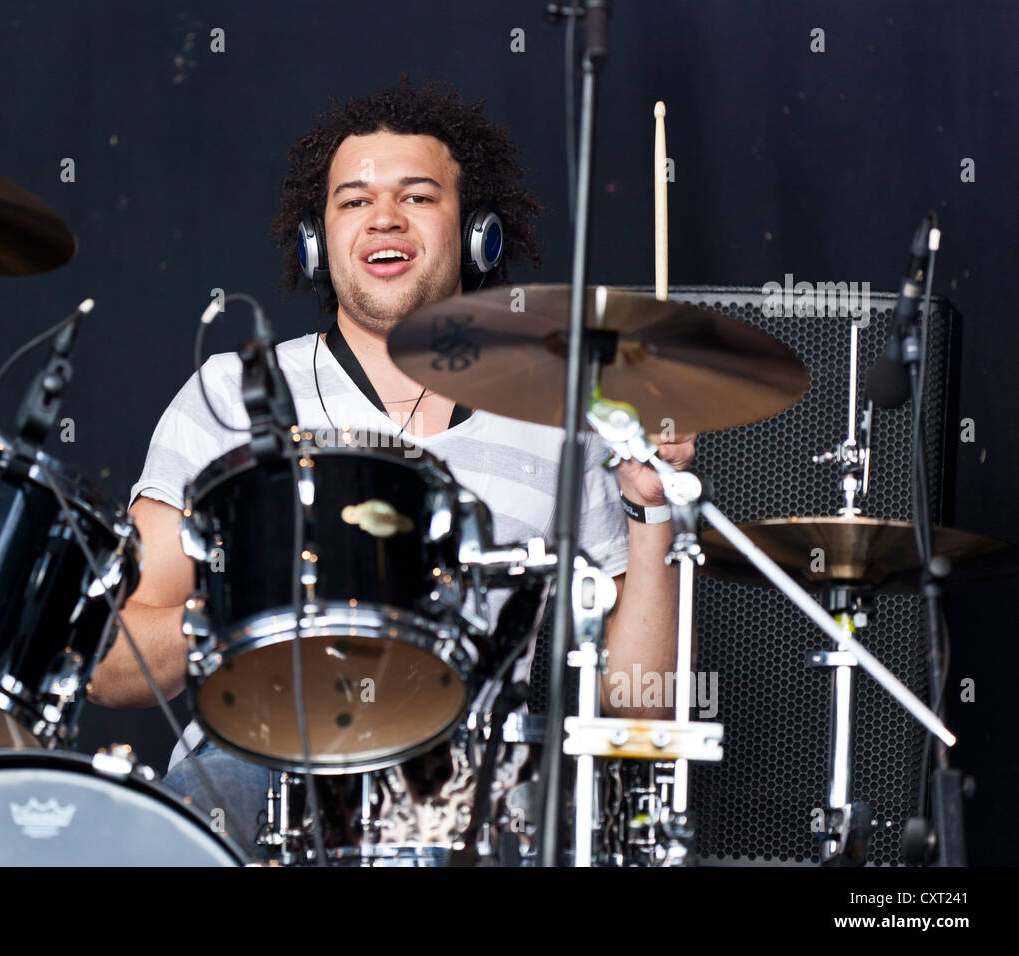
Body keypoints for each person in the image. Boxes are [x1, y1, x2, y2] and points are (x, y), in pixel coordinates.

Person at [89, 80, 695, 858]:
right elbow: (113, 668)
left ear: (477, 234)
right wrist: (259, 616)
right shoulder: (229, 395)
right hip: (258, 769)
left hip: (468, 794)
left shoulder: (561, 416)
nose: (384, 217)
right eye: (353, 201)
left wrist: (651, 513)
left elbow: (636, 708)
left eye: (417, 196)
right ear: (317, 240)